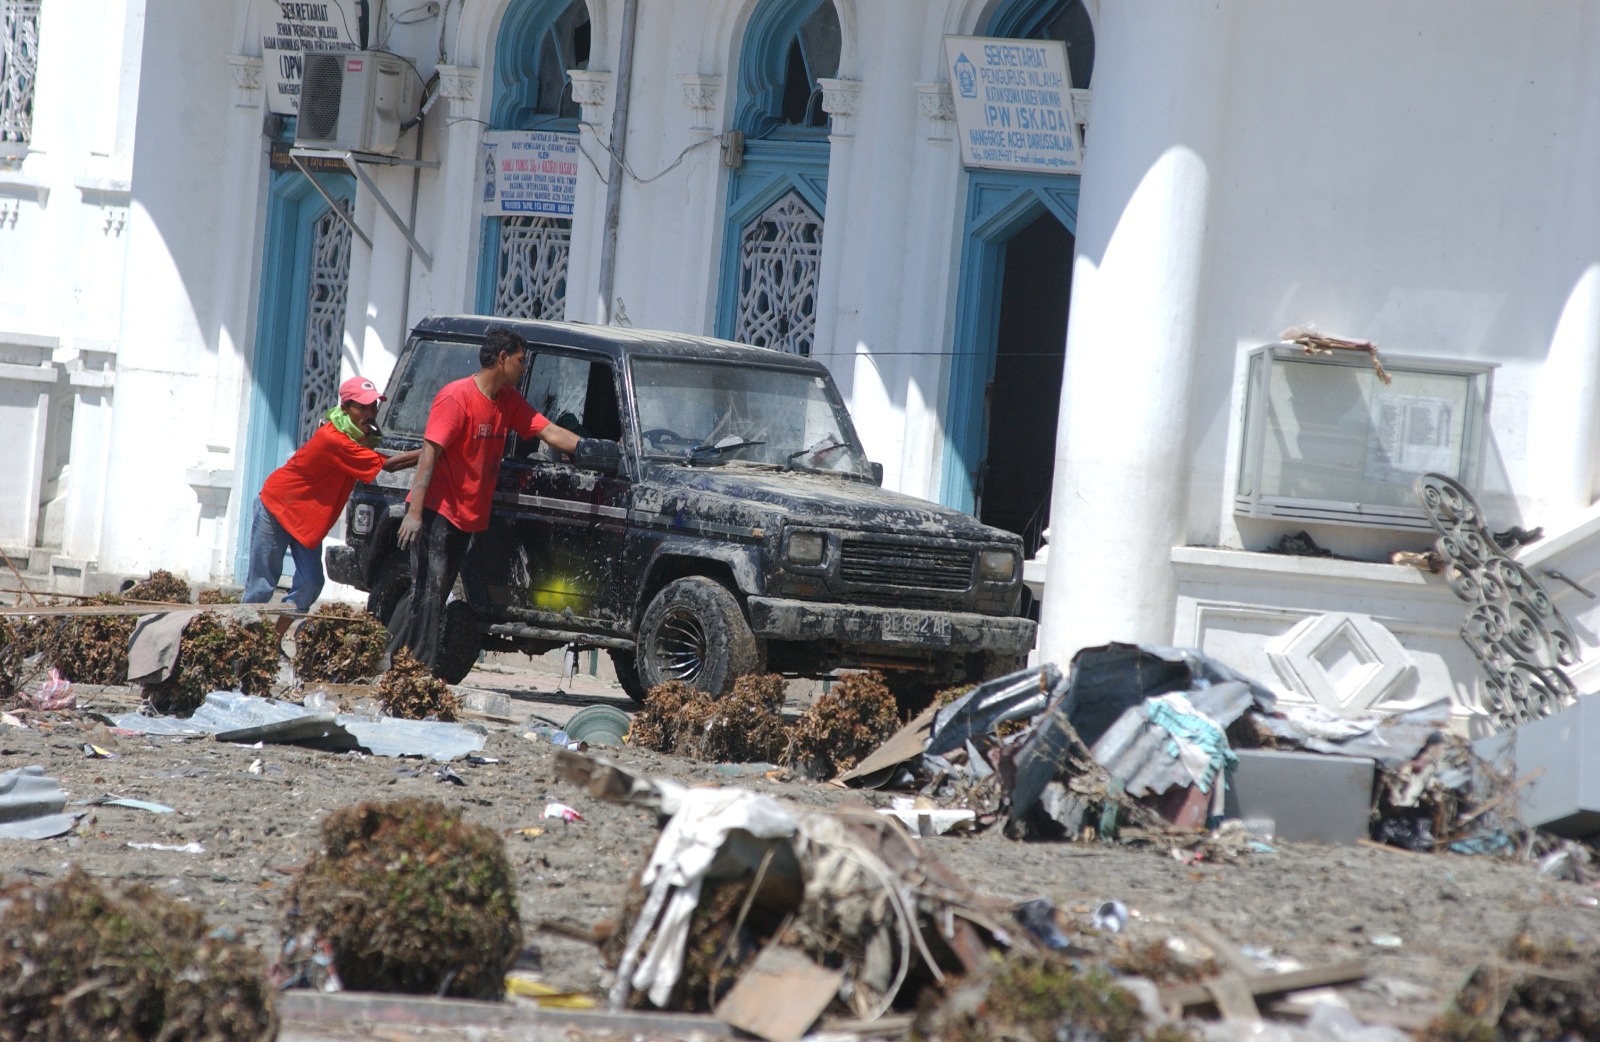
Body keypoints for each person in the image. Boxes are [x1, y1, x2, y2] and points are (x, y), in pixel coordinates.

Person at [386, 328, 579, 672]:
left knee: (434, 594)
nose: (524, 368)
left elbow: (548, 431)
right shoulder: (456, 397)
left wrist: (589, 449)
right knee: (428, 595)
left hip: (466, 517)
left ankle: (392, 663)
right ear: (502, 358)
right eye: (520, 361)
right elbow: (429, 456)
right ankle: (415, 672)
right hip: (436, 513)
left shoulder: (507, 401)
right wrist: (414, 513)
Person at [244, 376, 421, 614]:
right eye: (363, 407)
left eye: (373, 406)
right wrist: (433, 448)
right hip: (278, 507)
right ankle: (243, 643)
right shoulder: (334, 439)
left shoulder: (357, 435)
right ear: (346, 408)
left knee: (311, 583)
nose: (371, 412)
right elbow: (389, 465)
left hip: (307, 518)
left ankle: (275, 640)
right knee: (261, 587)